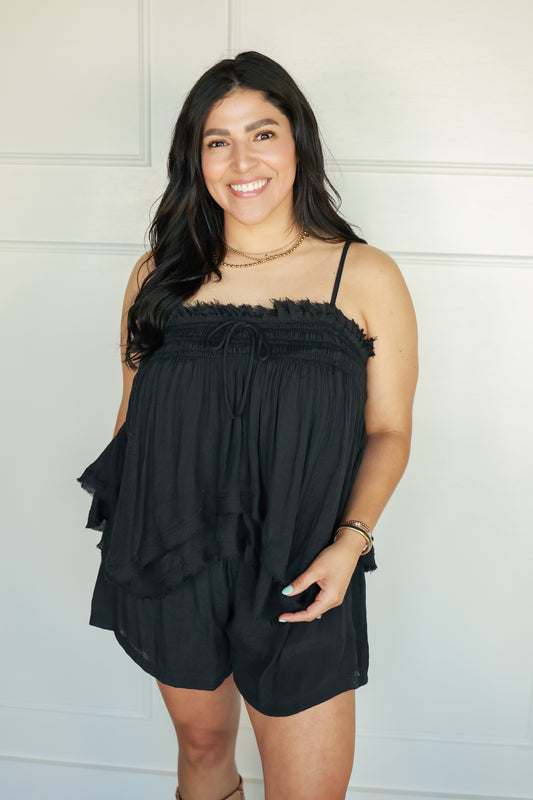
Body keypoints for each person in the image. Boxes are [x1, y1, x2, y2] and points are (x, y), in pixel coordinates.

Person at [77, 51, 418, 800]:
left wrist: (350, 543)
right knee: (202, 746)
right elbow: (133, 417)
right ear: (194, 158)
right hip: (174, 553)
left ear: (298, 142)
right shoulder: (157, 275)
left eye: (262, 134)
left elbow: (389, 430)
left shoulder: (364, 275)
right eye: (217, 140)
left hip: (302, 564)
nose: (242, 162)